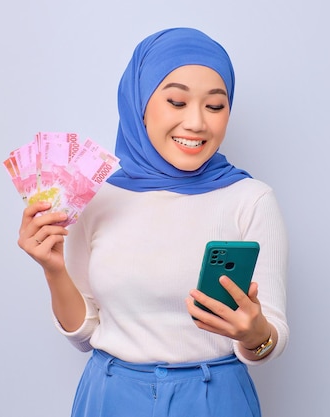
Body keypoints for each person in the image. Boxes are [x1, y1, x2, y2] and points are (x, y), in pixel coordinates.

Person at [17, 27, 288, 417]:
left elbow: (271, 339)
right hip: (111, 396)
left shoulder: (251, 199)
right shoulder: (96, 197)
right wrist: (53, 268)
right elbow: (85, 334)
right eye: (177, 101)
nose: (196, 123)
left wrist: (254, 333)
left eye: (215, 106)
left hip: (216, 397)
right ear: (139, 102)